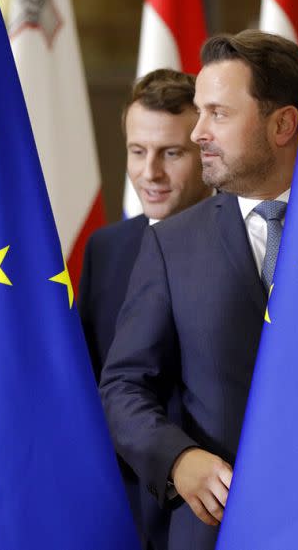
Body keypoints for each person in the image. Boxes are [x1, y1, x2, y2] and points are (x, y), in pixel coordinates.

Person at [99, 30, 298, 550]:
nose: (198, 133)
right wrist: (177, 459)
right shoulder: (173, 244)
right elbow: (124, 386)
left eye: (218, 113)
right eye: (199, 113)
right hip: (217, 530)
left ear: (282, 124)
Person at [79, 68, 211, 550]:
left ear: (206, 151)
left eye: (171, 153)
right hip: (126, 512)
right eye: (138, 151)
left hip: (216, 505)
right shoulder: (107, 249)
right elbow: (95, 384)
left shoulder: (249, 244)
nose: (149, 173)